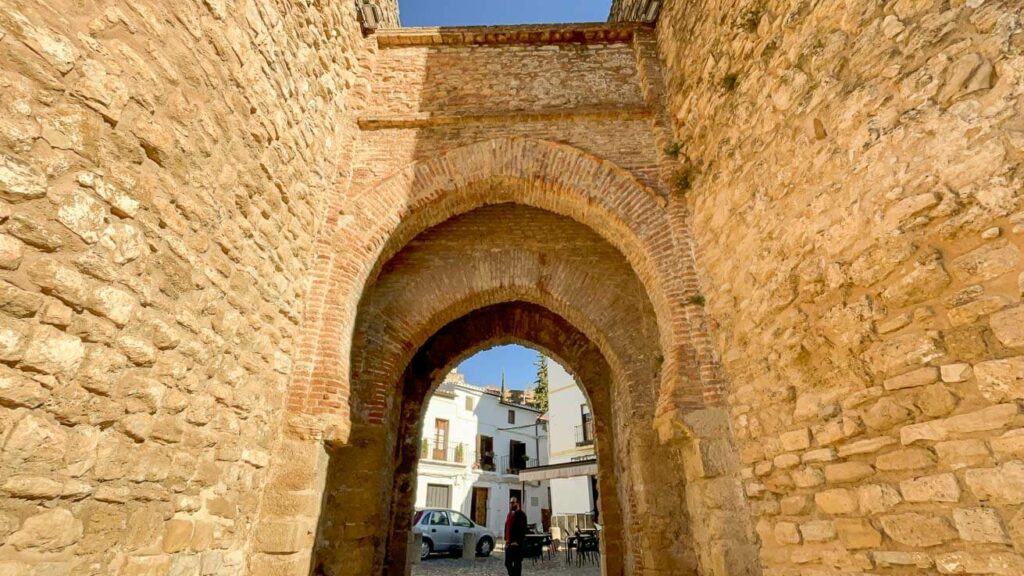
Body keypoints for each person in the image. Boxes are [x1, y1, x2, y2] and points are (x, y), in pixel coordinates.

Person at [504, 497, 528, 576]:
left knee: (517, 563)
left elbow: (523, 530)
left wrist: (517, 541)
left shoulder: (521, 515)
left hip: (516, 543)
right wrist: (506, 539)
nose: (511, 504)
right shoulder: (509, 514)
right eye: (510, 503)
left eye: (513, 502)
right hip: (509, 542)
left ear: (517, 503)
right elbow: (507, 527)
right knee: (507, 563)